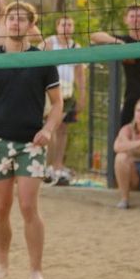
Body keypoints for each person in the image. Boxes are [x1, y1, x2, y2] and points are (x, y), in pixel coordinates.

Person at [0, 1, 62, 279]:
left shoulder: (42, 60)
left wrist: (48, 129)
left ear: (31, 25)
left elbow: (58, 104)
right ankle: (2, 265)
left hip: (31, 143)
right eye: (11, 18)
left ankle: (35, 269)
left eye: (22, 19)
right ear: (4, 22)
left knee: (28, 206)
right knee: (1, 207)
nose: (15, 22)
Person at [43, 16, 87, 183]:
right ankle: (48, 166)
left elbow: (80, 75)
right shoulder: (49, 43)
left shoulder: (76, 47)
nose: (66, 27)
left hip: (67, 93)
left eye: (69, 25)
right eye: (63, 24)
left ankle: (58, 164)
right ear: (57, 26)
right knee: (51, 127)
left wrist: (82, 96)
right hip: (50, 92)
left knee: (62, 129)